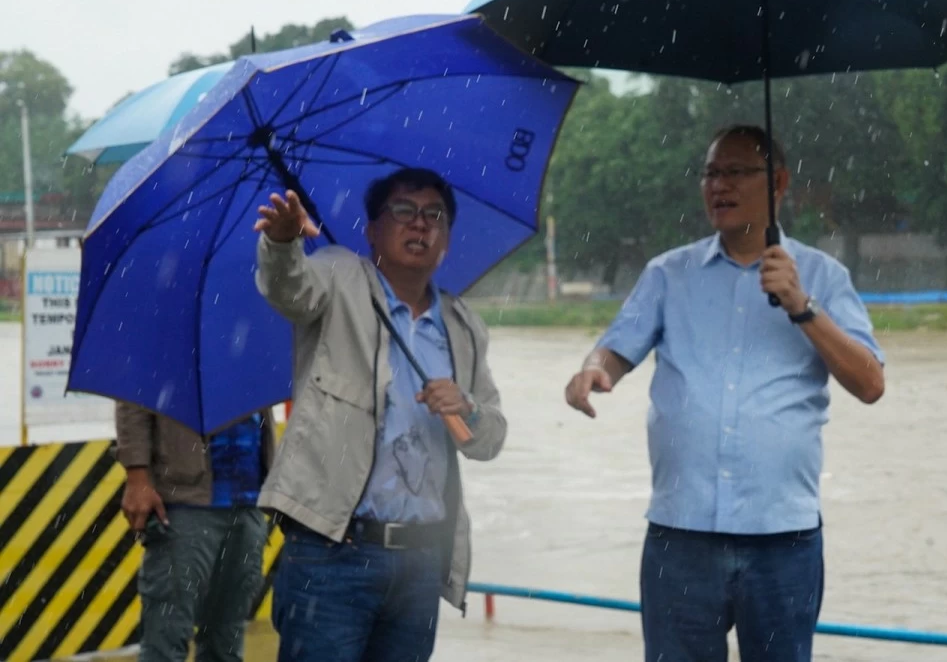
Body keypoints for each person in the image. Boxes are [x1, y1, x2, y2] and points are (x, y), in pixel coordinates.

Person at [564, 125, 886, 662]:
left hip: (782, 538)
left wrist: (802, 306)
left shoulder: (823, 276)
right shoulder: (668, 273)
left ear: (778, 182)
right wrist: (592, 370)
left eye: (735, 171)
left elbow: (870, 383)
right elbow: (614, 350)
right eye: (711, 173)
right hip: (679, 535)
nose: (719, 185)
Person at [252, 167, 507, 662]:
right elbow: (288, 288)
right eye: (404, 212)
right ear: (372, 230)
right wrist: (282, 245)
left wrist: (468, 409)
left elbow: (490, 438)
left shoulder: (463, 327)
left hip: (420, 560)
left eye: (434, 216)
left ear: (447, 240)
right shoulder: (337, 276)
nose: (420, 225)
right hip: (331, 552)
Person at [115, 403, 276, 662]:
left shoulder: (254, 361)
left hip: (249, 501)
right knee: (166, 642)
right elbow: (134, 401)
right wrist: (137, 477)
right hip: (185, 502)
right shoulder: (164, 360)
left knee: (226, 642)